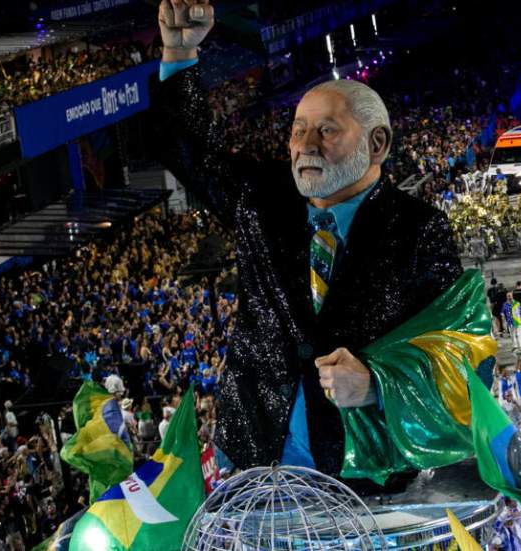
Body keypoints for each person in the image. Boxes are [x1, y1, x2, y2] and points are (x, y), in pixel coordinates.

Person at [152, 0, 462, 476]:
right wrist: (178, 54)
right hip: (258, 454)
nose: (305, 146)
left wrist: (378, 382)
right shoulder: (261, 200)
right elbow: (189, 151)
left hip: (365, 468)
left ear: (377, 144)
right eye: (298, 130)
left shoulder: (421, 230)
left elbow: (454, 345)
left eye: (326, 130)